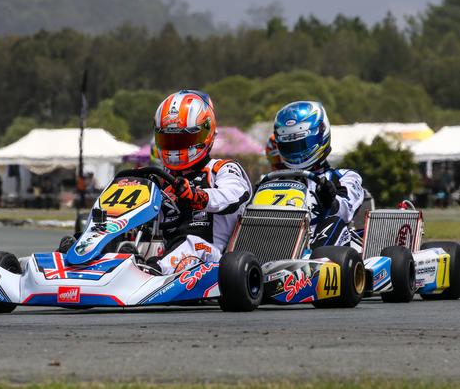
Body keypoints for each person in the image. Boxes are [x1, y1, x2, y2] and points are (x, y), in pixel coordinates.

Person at [148, 89, 253, 275]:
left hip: (215, 260)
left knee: (192, 244)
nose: (175, 146)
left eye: (183, 139)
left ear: (206, 134)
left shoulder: (222, 169)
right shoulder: (159, 178)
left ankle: (153, 272)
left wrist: (197, 196)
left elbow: (231, 195)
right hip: (165, 252)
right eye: (169, 139)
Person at [273, 101, 363, 248]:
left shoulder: (345, 177)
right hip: (282, 242)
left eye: (301, 144)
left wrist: (331, 201)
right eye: (290, 146)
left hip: (326, 248)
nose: (296, 151)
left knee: (333, 223)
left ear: (321, 134)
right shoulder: (276, 182)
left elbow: (346, 212)